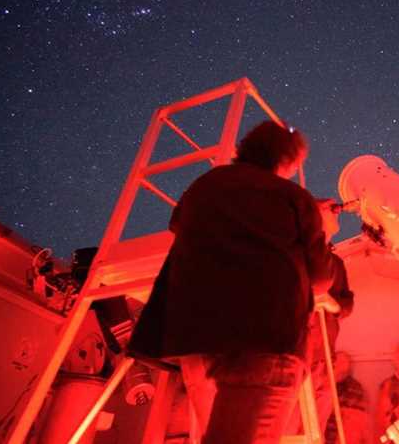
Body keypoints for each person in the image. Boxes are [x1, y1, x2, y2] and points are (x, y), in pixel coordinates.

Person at [127, 120, 334, 444]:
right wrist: (325, 229)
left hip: (197, 344)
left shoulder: (203, 187)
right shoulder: (295, 198)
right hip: (267, 344)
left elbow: (181, 224)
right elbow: (321, 280)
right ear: (286, 159)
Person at [288, 197, 355, 437]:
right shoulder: (295, 254)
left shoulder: (336, 263)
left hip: (326, 359)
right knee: (290, 427)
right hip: (298, 355)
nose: (336, 209)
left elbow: (348, 303)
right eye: (328, 207)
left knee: (316, 425)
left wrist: (332, 304)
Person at [324, 351, 369, 444]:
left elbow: (354, 418)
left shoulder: (354, 388)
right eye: (340, 362)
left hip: (344, 437)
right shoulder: (323, 385)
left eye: (345, 362)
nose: (341, 365)